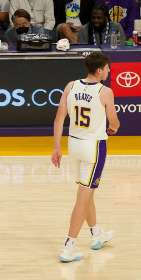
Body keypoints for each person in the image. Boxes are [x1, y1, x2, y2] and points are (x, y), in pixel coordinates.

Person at [51, 51, 120, 263]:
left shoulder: (70, 85)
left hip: (73, 145)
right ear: (99, 70)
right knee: (83, 196)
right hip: (93, 147)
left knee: (86, 191)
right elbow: (114, 122)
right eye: (107, 68)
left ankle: (96, 234)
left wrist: (56, 148)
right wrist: (114, 128)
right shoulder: (105, 91)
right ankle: (69, 246)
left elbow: (58, 119)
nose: (109, 71)